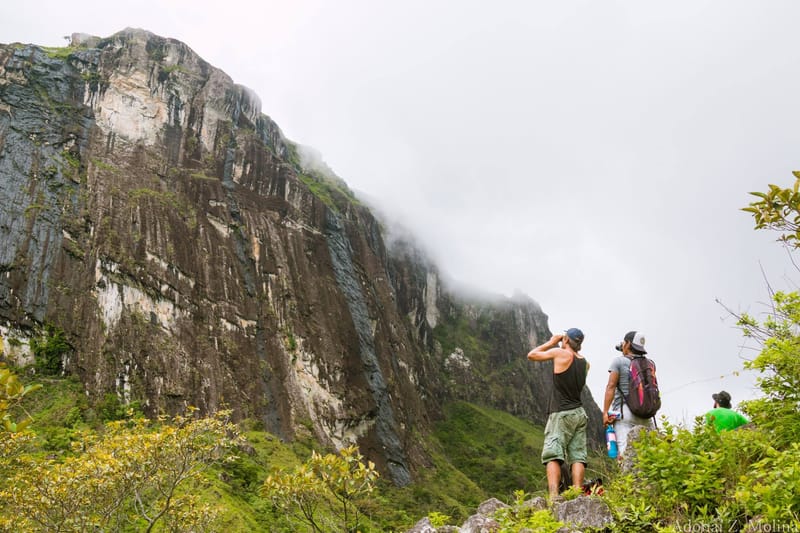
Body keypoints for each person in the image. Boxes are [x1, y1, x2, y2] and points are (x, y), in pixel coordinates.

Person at [527, 328, 589, 500]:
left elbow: (532, 355)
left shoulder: (560, 353)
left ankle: (554, 497)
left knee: (553, 454)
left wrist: (552, 342)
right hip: (579, 413)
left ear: (567, 340)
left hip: (561, 413)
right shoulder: (585, 363)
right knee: (578, 455)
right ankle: (578, 495)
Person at [602, 331, 655, 458]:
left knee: (626, 455)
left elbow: (611, 386)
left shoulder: (619, 362)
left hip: (625, 413)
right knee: (650, 455)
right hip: (646, 414)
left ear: (628, 343)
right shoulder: (650, 364)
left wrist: (605, 412)